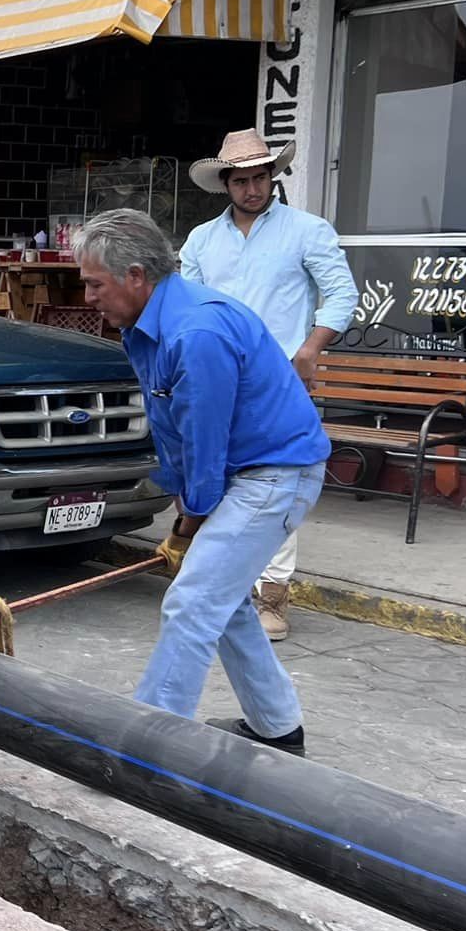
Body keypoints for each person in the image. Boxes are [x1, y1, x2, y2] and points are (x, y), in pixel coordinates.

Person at [76, 209, 330, 756]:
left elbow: (205, 445)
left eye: (96, 284)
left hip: (273, 474)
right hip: (249, 473)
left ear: (136, 276)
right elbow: (181, 435)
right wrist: (187, 515)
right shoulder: (151, 327)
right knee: (224, 599)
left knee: (192, 602)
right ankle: (278, 729)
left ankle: (146, 748)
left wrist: (189, 524)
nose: (89, 297)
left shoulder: (196, 332)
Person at [178, 130, 355, 641]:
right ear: (226, 184)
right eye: (241, 180)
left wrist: (310, 349)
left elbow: (341, 293)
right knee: (216, 475)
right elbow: (189, 306)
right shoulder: (202, 240)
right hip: (216, 377)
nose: (252, 188)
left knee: (275, 482)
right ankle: (221, 587)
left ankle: (271, 594)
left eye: (259, 177)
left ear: (272, 177)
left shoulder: (306, 230)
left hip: (279, 377)